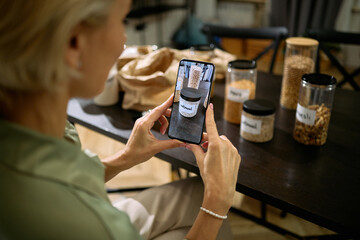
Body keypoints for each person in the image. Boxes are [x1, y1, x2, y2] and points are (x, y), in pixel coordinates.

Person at [0, 0, 241, 239]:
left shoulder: (26, 125)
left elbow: (63, 177)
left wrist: (126, 158)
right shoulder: (93, 224)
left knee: (197, 192)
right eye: (120, 21)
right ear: (74, 42)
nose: (124, 42)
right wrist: (215, 206)